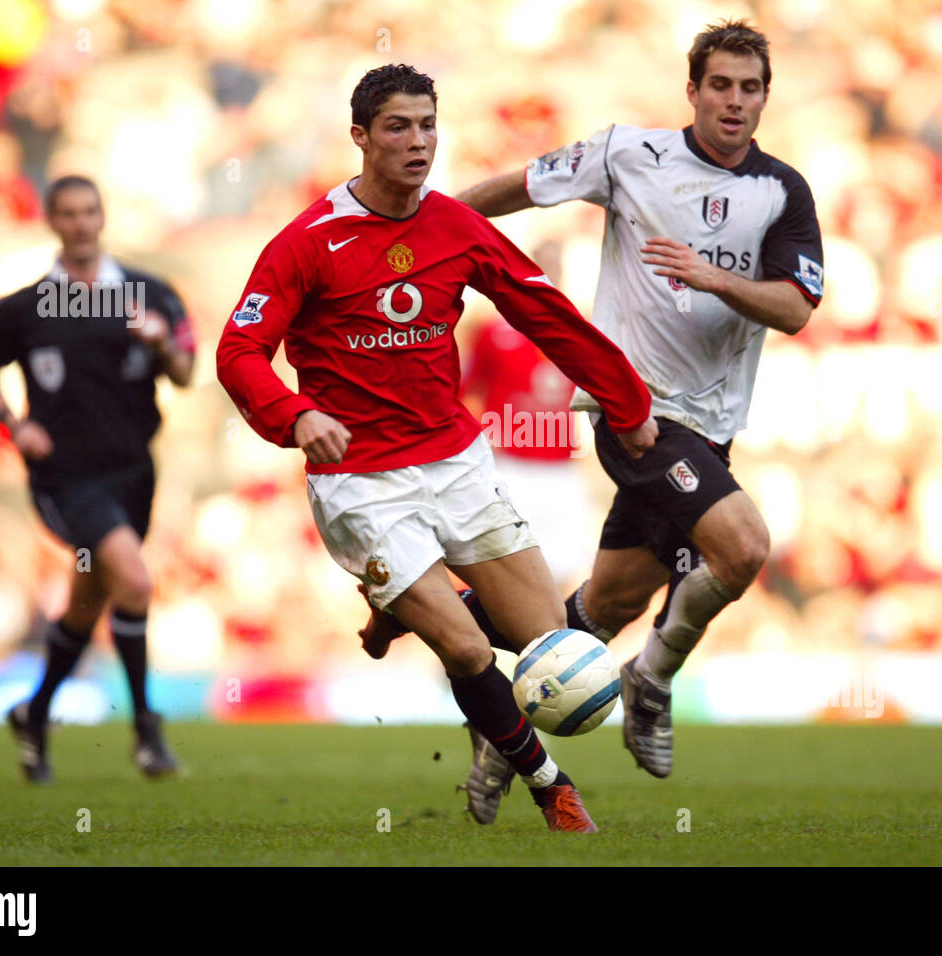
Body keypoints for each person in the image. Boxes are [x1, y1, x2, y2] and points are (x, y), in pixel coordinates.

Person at [216, 64, 657, 833]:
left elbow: (544, 313)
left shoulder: (454, 226)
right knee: (465, 648)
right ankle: (553, 788)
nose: (418, 142)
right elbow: (239, 350)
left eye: (427, 125)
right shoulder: (308, 242)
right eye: (398, 127)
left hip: (455, 463)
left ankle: (400, 606)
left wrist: (627, 400)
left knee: (547, 640)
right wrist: (293, 418)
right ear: (360, 137)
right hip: (359, 480)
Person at [441, 19, 825, 804]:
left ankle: (500, 738)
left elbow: (795, 307)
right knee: (745, 547)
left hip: (713, 429)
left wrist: (717, 281)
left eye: (750, 88)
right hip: (635, 408)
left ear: (764, 99)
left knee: (605, 603)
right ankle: (649, 683)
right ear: (692, 90)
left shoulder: (782, 191)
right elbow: (521, 184)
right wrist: (433, 225)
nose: (734, 101)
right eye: (719, 84)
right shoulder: (630, 154)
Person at [0, 175, 195, 782]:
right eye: (68, 213)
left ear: (103, 217)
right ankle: (147, 730)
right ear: (52, 221)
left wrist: (161, 345)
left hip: (134, 470)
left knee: (87, 600)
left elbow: (185, 370)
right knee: (136, 581)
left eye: (90, 211)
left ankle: (35, 714)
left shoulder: (148, 293)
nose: (80, 222)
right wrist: (14, 426)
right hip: (66, 476)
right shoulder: (29, 305)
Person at [459, 239, 596, 590]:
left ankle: (562, 640)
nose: (550, 275)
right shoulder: (493, 330)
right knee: (513, 567)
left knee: (566, 568)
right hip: (512, 465)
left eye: (557, 267)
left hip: (561, 467)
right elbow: (463, 392)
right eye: (543, 266)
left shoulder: (580, 330)